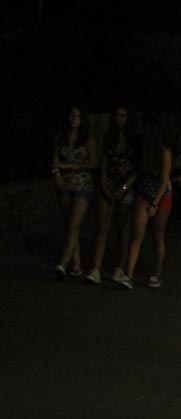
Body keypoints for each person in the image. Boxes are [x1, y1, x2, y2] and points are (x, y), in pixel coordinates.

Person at [119, 115, 172, 289]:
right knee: (137, 233)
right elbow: (139, 172)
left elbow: (164, 181)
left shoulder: (164, 152)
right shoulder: (144, 151)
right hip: (144, 192)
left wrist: (155, 204)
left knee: (157, 236)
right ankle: (128, 275)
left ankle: (157, 273)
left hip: (161, 195)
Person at [91, 104, 137, 284]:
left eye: (123, 116)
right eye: (117, 116)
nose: (120, 119)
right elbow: (103, 162)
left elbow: (136, 169)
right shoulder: (108, 137)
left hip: (125, 186)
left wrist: (125, 187)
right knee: (103, 226)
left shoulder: (133, 140)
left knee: (122, 228)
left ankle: (120, 267)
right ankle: (96, 268)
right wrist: (103, 184)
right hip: (109, 184)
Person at [51, 104, 98, 279]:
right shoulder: (61, 137)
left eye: (77, 116)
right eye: (72, 115)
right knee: (69, 226)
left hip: (82, 186)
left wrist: (68, 166)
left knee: (74, 224)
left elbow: (93, 163)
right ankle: (76, 264)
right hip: (65, 185)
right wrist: (57, 174)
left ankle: (63, 264)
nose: (74, 119)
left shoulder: (87, 138)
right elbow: (55, 160)